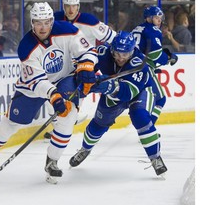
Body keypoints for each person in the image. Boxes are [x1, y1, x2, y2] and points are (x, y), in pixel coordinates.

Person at [0, 2, 98, 183]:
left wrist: (87, 66)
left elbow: (88, 50)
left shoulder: (67, 29)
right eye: (38, 22)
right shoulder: (26, 46)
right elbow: (38, 81)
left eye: (47, 22)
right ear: (32, 23)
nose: (43, 27)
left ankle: (52, 162)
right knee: (10, 124)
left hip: (64, 78)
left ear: (52, 20)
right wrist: (53, 95)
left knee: (68, 116)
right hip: (33, 86)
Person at [69, 31, 168, 176]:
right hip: (112, 93)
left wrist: (108, 86)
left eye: (125, 54)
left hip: (139, 91)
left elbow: (128, 93)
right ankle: (85, 149)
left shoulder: (140, 63)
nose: (121, 58)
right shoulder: (103, 52)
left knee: (140, 117)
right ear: (112, 49)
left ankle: (155, 157)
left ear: (132, 50)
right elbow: (86, 61)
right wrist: (85, 72)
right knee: (98, 124)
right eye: (117, 53)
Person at [43, 0, 117, 140]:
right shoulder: (55, 20)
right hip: (62, 66)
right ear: (63, 6)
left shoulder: (89, 21)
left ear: (78, 6)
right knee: (53, 95)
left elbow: (112, 36)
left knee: (75, 96)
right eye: (67, 6)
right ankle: (63, 124)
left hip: (85, 67)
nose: (71, 10)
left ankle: (64, 126)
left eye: (74, 6)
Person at [131, 6, 178, 125]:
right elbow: (155, 55)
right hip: (143, 68)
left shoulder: (137, 28)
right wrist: (168, 58)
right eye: (156, 18)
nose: (159, 21)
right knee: (160, 99)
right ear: (148, 18)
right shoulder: (153, 30)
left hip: (129, 67)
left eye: (160, 18)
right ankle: (148, 128)